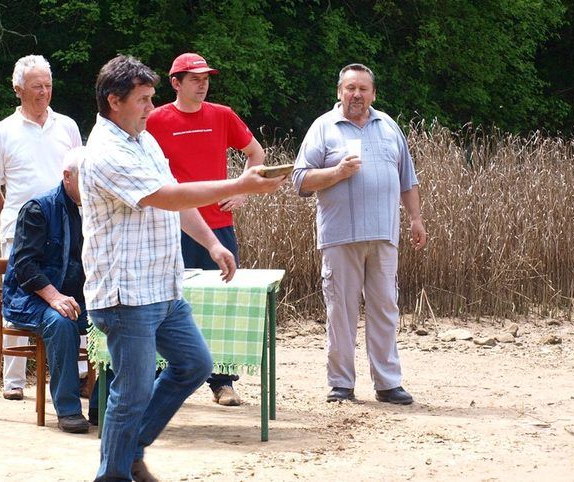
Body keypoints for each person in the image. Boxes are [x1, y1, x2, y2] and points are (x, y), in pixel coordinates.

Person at [80, 55, 285, 482]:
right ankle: (113, 474)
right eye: (142, 100)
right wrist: (241, 184)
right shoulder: (105, 151)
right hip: (127, 294)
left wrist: (211, 243)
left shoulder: (142, 139)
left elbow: (177, 200)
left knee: (193, 365)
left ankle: (131, 449)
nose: (150, 109)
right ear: (113, 101)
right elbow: (167, 196)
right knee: (130, 392)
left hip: (164, 287)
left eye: (152, 98)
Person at [292, 63, 427, 405]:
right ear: (339, 92)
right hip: (340, 236)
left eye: (363, 89)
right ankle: (341, 384)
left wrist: (415, 219)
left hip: (384, 235)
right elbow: (299, 180)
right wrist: (336, 173)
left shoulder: (389, 126)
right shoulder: (324, 128)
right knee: (341, 311)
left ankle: (388, 383)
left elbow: (407, 179)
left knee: (385, 308)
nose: (357, 95)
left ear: (373, 94)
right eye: (350, 88)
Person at [146, 52, 265, 407]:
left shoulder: (222, 114)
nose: (202, 84)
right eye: (194, 79)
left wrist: (241, 191)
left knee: (223, 302)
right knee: (167, 300)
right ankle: (160, 378)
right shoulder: (155, 119)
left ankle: (222, 382)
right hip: (170, 224)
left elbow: (256, 155)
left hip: (218, 226)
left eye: (206, 78)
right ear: (175, 83)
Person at [0, 54, 83, 401]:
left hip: (67, 226)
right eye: (36, 86)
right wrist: (14, 223)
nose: (43, 93)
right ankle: (13, 381)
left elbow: (78, 173)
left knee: (71, 286)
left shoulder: (67, 126)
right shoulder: (1, 133)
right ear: (18, 89)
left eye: (48, 86)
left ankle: (81, 373)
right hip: (19, 230)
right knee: (19, 293)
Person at [1, 153, 91, 433]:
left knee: (121, 317)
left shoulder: (98, 207)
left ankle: (104, 407)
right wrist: (54, 297)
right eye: (86, 179)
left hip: (79, 297)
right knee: (61, 322)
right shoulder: (38, 208)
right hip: (30, 300)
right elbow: (25, 264)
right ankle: (68, 410)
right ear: (67, 176)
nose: (93, 185)